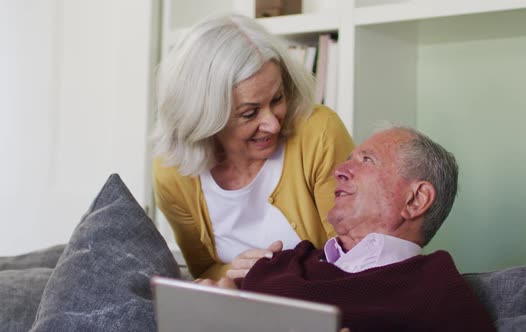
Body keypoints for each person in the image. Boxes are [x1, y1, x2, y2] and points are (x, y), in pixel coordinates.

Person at [198, 126, 496, 331]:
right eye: (347, 160)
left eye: (366, 160)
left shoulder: (437, 291)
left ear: (416, 199)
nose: (338, 171)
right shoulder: (283, 262)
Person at [152, 13, 354, 280]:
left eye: (277, 98)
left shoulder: (319, 133)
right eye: (249, 113)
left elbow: (357, 257)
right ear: (204, 117)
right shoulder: (173, 172)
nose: (272, 123)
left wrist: (280, 275)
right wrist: (233, 271)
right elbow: (204, 270)